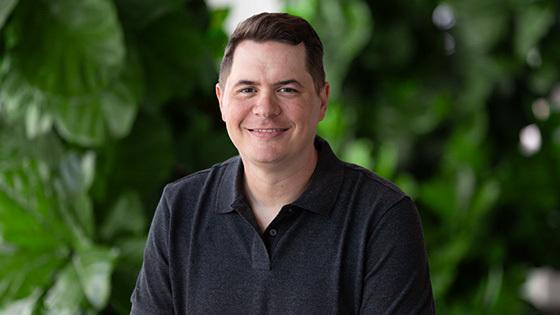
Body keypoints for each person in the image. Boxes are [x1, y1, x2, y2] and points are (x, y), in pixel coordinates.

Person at [131, 12, 435, 314]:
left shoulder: (381, 216)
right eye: (247, 89)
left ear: (322, 100)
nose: (265, 108)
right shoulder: (180, 208)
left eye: (287, 89)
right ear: (222, 101)